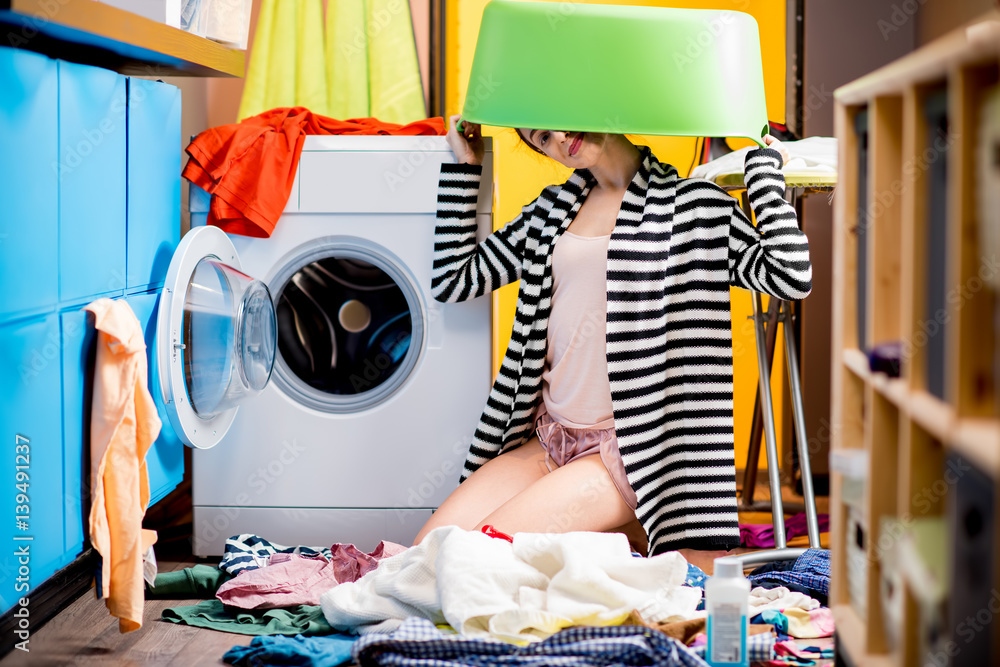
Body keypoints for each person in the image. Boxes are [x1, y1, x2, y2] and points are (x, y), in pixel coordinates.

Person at [413, 114, 810, 563]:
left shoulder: (694, 206)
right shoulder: (550, 213)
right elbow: (453, 279)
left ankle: (629, 524)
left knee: (473, 558)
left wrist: (764, 175)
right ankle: (620, 537)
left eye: (558, 113)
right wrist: (467, 167)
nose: (561, 135)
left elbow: (789, 275)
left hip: (629, 452)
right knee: (422, 556)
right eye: (543, 137)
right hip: (551, 439)